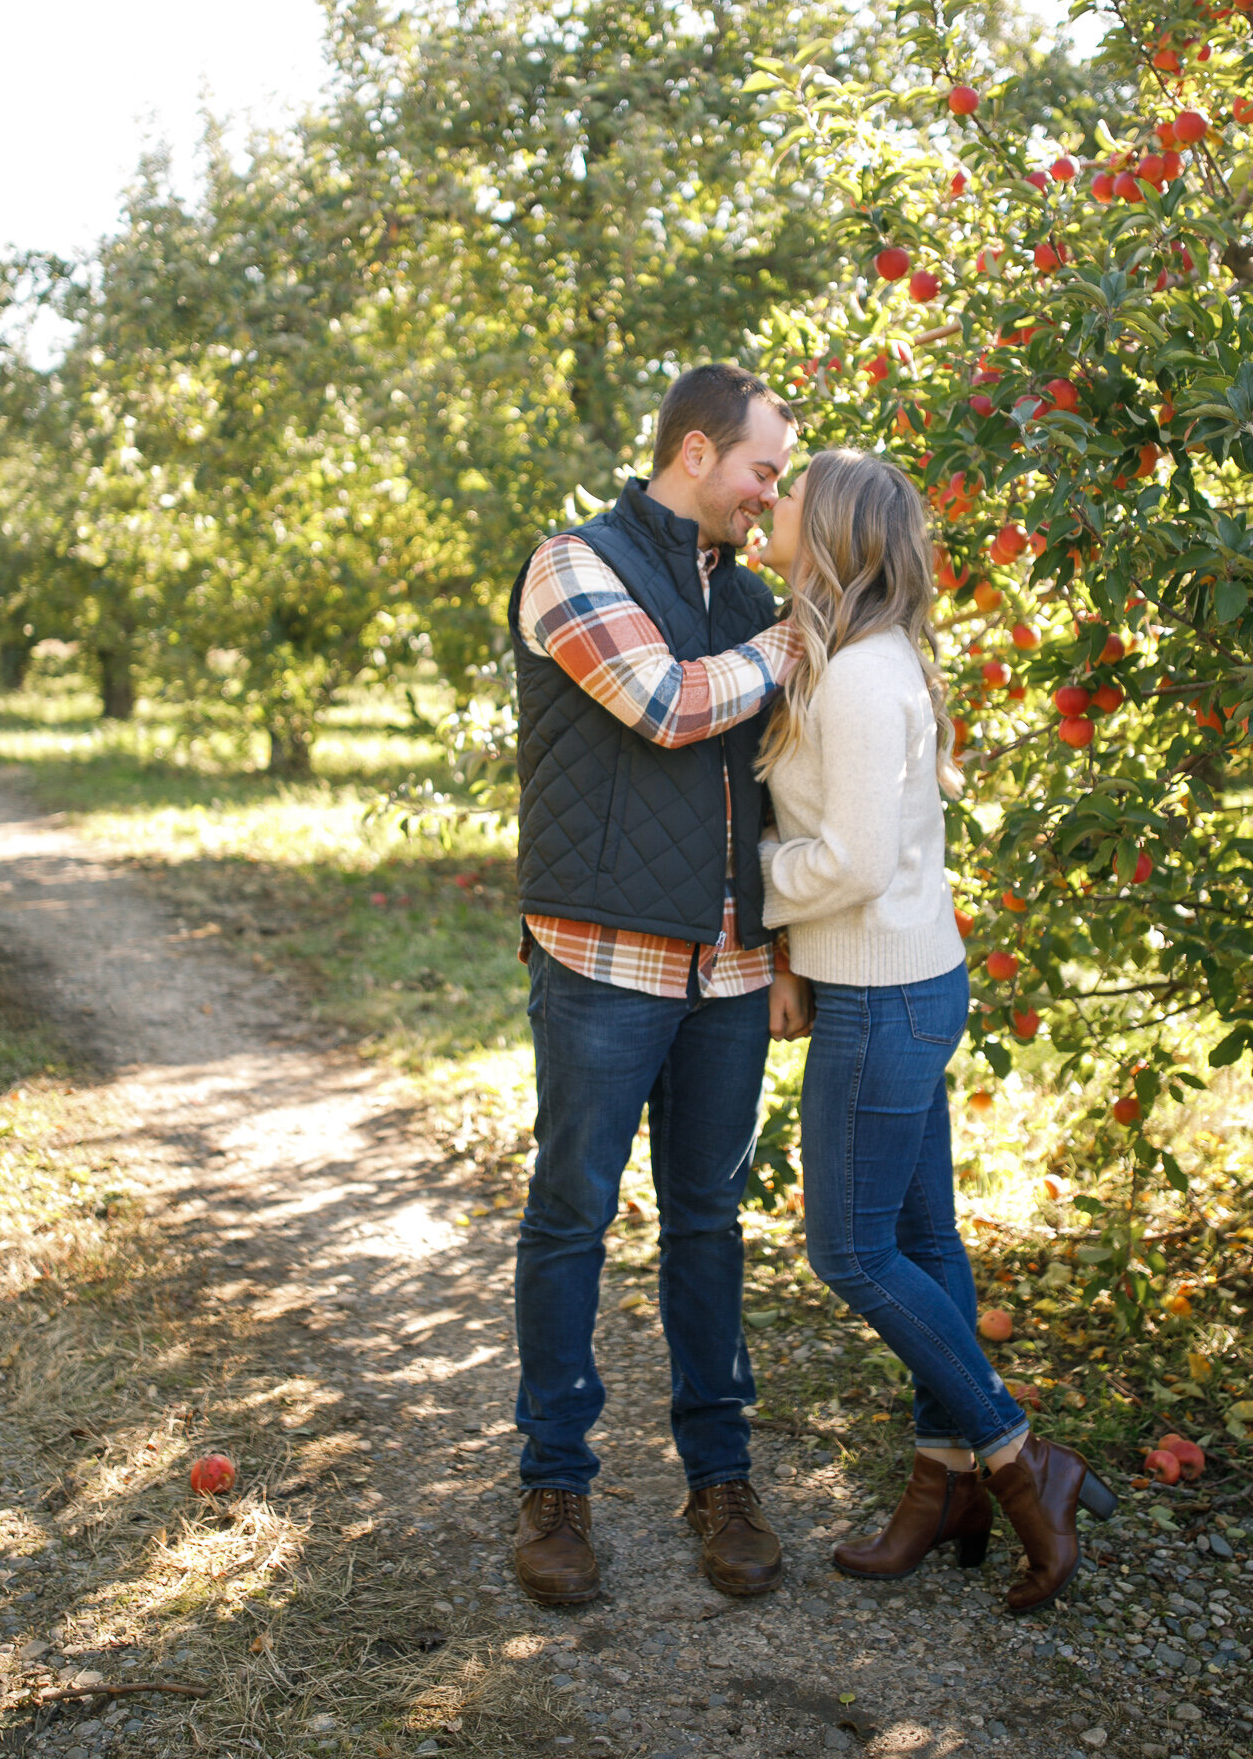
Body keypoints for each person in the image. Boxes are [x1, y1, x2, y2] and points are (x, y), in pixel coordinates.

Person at [755, 447, 1116, 1614]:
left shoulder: (860, 676)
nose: (771, 503)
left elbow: (849, 859)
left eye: (790, 495)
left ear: (836, 534)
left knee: (851, 1251)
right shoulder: (863, 655)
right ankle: (945, 1481)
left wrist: (751, 877)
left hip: (882, 992)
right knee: (926, 1240)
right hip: (906, 978)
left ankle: (1017, 1456)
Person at [507, 362, 814, 1606]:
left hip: (733, 968)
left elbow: (778, 788)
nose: (769, 495)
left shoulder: (747, 592)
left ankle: (720, 1477)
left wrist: (786, 954)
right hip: (605, 957)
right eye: (762, 470)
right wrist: (801, 637)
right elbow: (668, 705)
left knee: (708, 1224)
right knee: (572, 1214)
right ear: (696, 451)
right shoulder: (570, 565)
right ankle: (556, 1485)